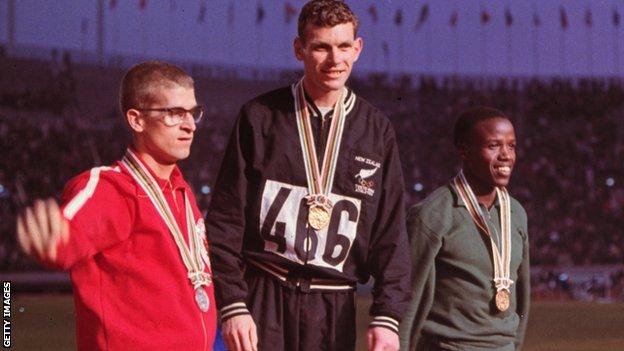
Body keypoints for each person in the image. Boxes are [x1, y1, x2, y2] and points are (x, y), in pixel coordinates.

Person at [206, 1, 411, 350]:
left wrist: (388, 315)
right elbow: (225, 222)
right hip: (264, 297)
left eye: (344, 46)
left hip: (334, 305)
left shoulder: (376, 130)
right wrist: (233, 303)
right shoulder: (259, 118)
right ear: (299, 48)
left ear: (358, 49)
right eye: (321, 47)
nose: (335, 60)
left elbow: (391, 234)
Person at [16, 61, 217, 350]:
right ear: (136, 120)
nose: (189, 125)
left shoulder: (181, 191)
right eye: (174, 113)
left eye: (193, 112)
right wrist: (54, 241)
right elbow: (68, 235)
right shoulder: (111, 188)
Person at [399, 106, 530, 351]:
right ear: (464, 151)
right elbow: (406, 298)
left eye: (511, 146)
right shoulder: (432, 214)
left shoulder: (516, 213)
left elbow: (523, 294)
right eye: (494, 146)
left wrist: (514, 343)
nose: (506, 155)